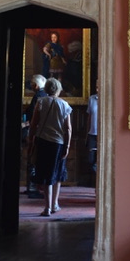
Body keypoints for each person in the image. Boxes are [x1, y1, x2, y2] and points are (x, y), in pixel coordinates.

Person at [27, 76, 72, 216]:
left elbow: (34, 125)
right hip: (58, 143)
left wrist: (31, 141)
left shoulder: (41, 102)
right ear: (58, 89)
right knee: (57, 173)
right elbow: (68, 128)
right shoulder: (64, 105)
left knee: (46, 174)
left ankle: (47, 207)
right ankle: (55, 204)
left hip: (43, 142)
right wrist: (68, 145)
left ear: (46, 89)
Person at [24, 74, 48, 195]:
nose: (32, 87)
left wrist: (27, 127)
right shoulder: (46, 96)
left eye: (32, 85)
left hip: (36, 131)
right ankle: (34, 187)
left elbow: (33, 116)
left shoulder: (38, 96)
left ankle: (33, 188)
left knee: (33, 159)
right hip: (44, 132)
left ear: (36, 85)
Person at [86, 90, 98, 178]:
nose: (97, 89)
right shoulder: (92, 99)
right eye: (96, 87)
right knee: (91, 159)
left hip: (103, 135)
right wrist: (87, 131)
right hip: (92, 133)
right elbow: (89, 117)